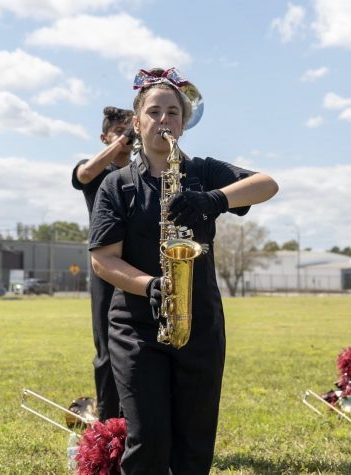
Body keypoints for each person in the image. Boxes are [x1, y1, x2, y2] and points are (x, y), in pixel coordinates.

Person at [89, 68, 279, 475]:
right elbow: (102, 259)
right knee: (149, 439)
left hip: (200, 322)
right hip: (137, 327)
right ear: (137, 123)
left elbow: (266, 184)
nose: (164, 120)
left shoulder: (203, 171)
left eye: (173, 112)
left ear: (183, 123)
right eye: (154, 112)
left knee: (195, 444)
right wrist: (149, 285)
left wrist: (213, 199)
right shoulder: (117, 185)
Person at [72, 106, 134, 422]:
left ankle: (134, 418)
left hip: (138, 268)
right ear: (104, 137)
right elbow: (84, 176)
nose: (128, 139)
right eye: (120, 132)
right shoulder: (92, 169)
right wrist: (122, 141)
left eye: (131, 131)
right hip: (106, 268)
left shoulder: (139, 172)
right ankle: (108, 423)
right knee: (107, 348)